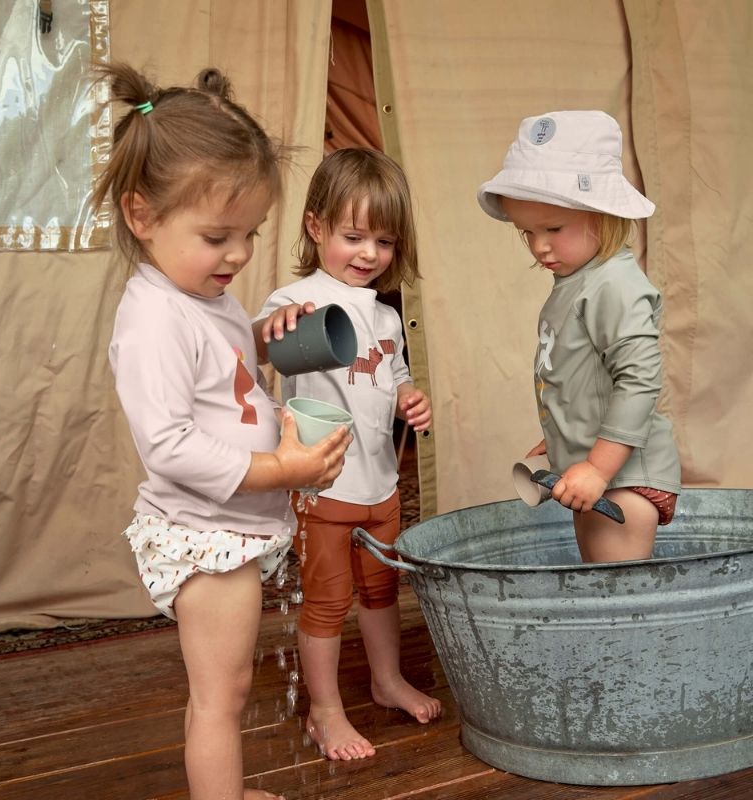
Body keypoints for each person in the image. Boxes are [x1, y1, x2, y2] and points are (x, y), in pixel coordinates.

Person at [91, 62, 351, 800]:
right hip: (203, 531)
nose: (238, 255)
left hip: (231, 524)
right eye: (217, 236)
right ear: (142, 216)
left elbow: (228, 374)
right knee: (221, 697)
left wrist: (268, 340)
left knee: (227, 687)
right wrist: (283, 471)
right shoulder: (151, 318)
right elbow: (169, 445)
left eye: (250, 234)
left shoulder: (207, 296)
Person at [253, 148, 443, 762]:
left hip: (380, 483)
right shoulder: (296, 298)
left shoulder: (386, 316)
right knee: (329, 602)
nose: (368, 254)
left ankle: (386, 681)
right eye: (353, 236)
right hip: (323, 483)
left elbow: (391, 380)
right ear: (316, 227)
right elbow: (258, 344)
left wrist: (408, 400)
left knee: (382, 592)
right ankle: (324, 711)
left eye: (383, 241)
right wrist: (275, 324)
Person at [477, 110, 681, 563]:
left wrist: (596, 466)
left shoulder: (615, 286)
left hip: (622, 481)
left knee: (614, 601)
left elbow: (639, 381)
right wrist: (563, 440)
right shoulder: (580, 281)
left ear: (604, 215)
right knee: (600, 587)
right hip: (597, 474)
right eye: (526, 232)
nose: (538, 246)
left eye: (553, 229)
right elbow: (583, 376)